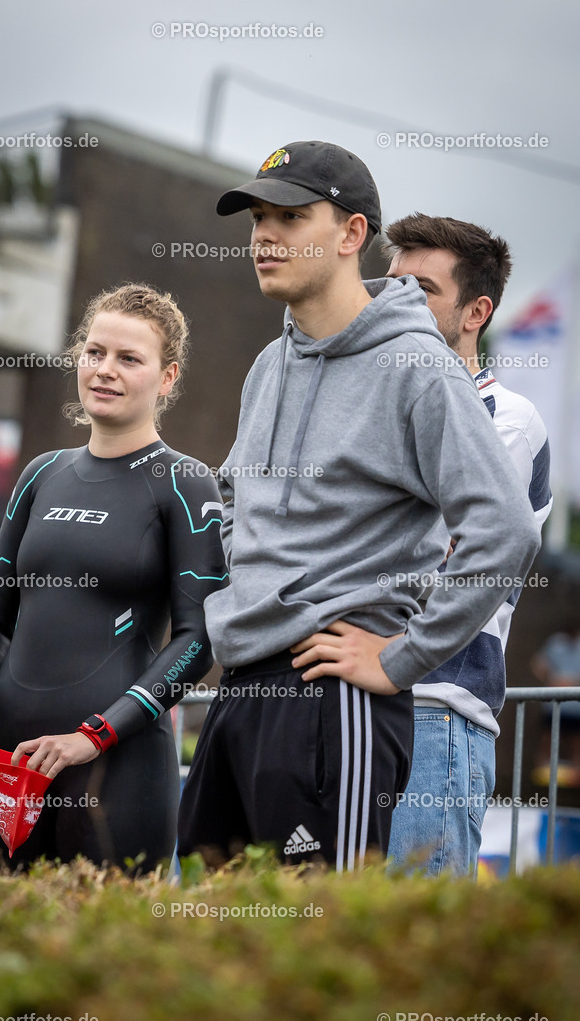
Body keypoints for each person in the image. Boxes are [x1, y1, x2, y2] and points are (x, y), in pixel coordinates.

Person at [176, 141, 540, 871]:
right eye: (257, 219)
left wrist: (401, 657)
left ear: (350, 235)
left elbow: (501, 529)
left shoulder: (418, 368)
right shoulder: (267, 363)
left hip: (329, 695)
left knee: (315, 949)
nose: (264, 237)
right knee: (215, 943)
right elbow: (232, 499)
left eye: (288, 216)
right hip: (240, 685)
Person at [0, 283, 227, 871]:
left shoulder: (184, 481)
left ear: (167, 378)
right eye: (94, 352)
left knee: (101, 955)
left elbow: (199, 639)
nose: (105, 370)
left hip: (115, 765)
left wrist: (92, 736)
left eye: (129, 358)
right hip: (8, 760)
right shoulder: (43, 473)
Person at [384, 213, 552, 875]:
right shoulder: (373, 406)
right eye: (390, 285)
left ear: (475, 311)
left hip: (436, 711)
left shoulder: (507, 418)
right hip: (345, 705)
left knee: (408, 938)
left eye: (421, 288)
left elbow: (439, 552)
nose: (397, 301)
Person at [531, 626, 580, 788]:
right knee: (549, 738)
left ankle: (575, 776)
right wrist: (551, 679)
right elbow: (538, 664)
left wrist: (572, 682)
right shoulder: (556, 642)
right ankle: (542, 774)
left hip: (575, 707)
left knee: (575, 741)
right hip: (553, 705)